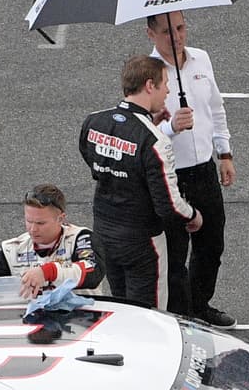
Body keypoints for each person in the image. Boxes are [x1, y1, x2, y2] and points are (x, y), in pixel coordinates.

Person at [79, 55, 202, 309]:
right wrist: (193, 215)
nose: (168, 91)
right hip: (142, 242)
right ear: (149, 85)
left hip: (103, 233)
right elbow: (169, 205)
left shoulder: (93, 121)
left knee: (121, 307)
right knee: (149, 316)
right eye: (164, 83)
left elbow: (91, 160)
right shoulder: (154, 140)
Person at [146, 11, 236, 327]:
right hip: (170, 174)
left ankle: (200, 304)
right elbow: (141, 129)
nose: (177, 37)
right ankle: (180, 314)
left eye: (181, 28)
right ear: (151, 34)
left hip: (204, 169)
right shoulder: (148, 73)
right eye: (168, 31)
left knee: (211, 243)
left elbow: (215, 108)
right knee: (175, 250)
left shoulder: (201, 59)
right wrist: (170, 127)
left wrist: (225, 153)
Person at [0, 184, 105, 299]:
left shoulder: (81, 237)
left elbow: (93, 271)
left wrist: (47, 272)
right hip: (30, 321)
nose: (33, 229)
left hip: (82, 319)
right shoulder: (13, 248)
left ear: (60, 218)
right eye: (29, 221)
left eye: (41, 223)